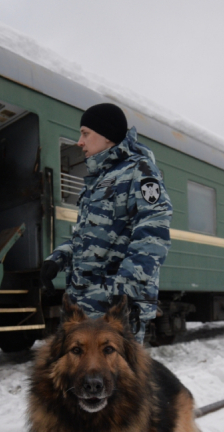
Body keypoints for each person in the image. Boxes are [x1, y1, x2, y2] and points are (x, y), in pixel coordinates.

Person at [40, 103, 172, 342]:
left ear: (107, 136)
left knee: (117, 377)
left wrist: (124, 293)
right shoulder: (95, 181)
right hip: (82, 304)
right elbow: (86, 239)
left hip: (113, 307)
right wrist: (57, 259)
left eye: (85, 133)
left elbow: (154, 232)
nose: (79, 141)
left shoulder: (139, 171)